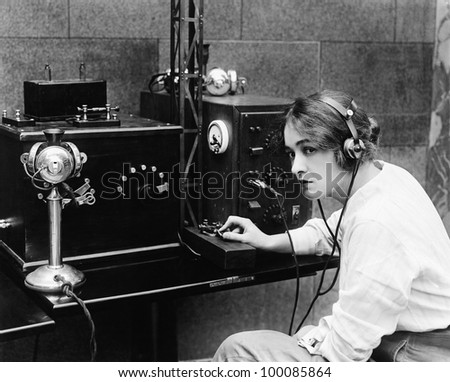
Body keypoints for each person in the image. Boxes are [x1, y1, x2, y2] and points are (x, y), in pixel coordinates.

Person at [212, 89, 450, 362]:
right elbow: (327, 232)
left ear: (349, 149)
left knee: (238, 349)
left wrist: (312, 341)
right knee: (304, 334)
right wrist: (267, 239)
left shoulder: (376, 222)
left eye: (309, 150)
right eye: (292, 153)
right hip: (401, 338)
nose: (295, 168)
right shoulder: (388, 178)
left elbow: (344, 354)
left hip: (416, 356)